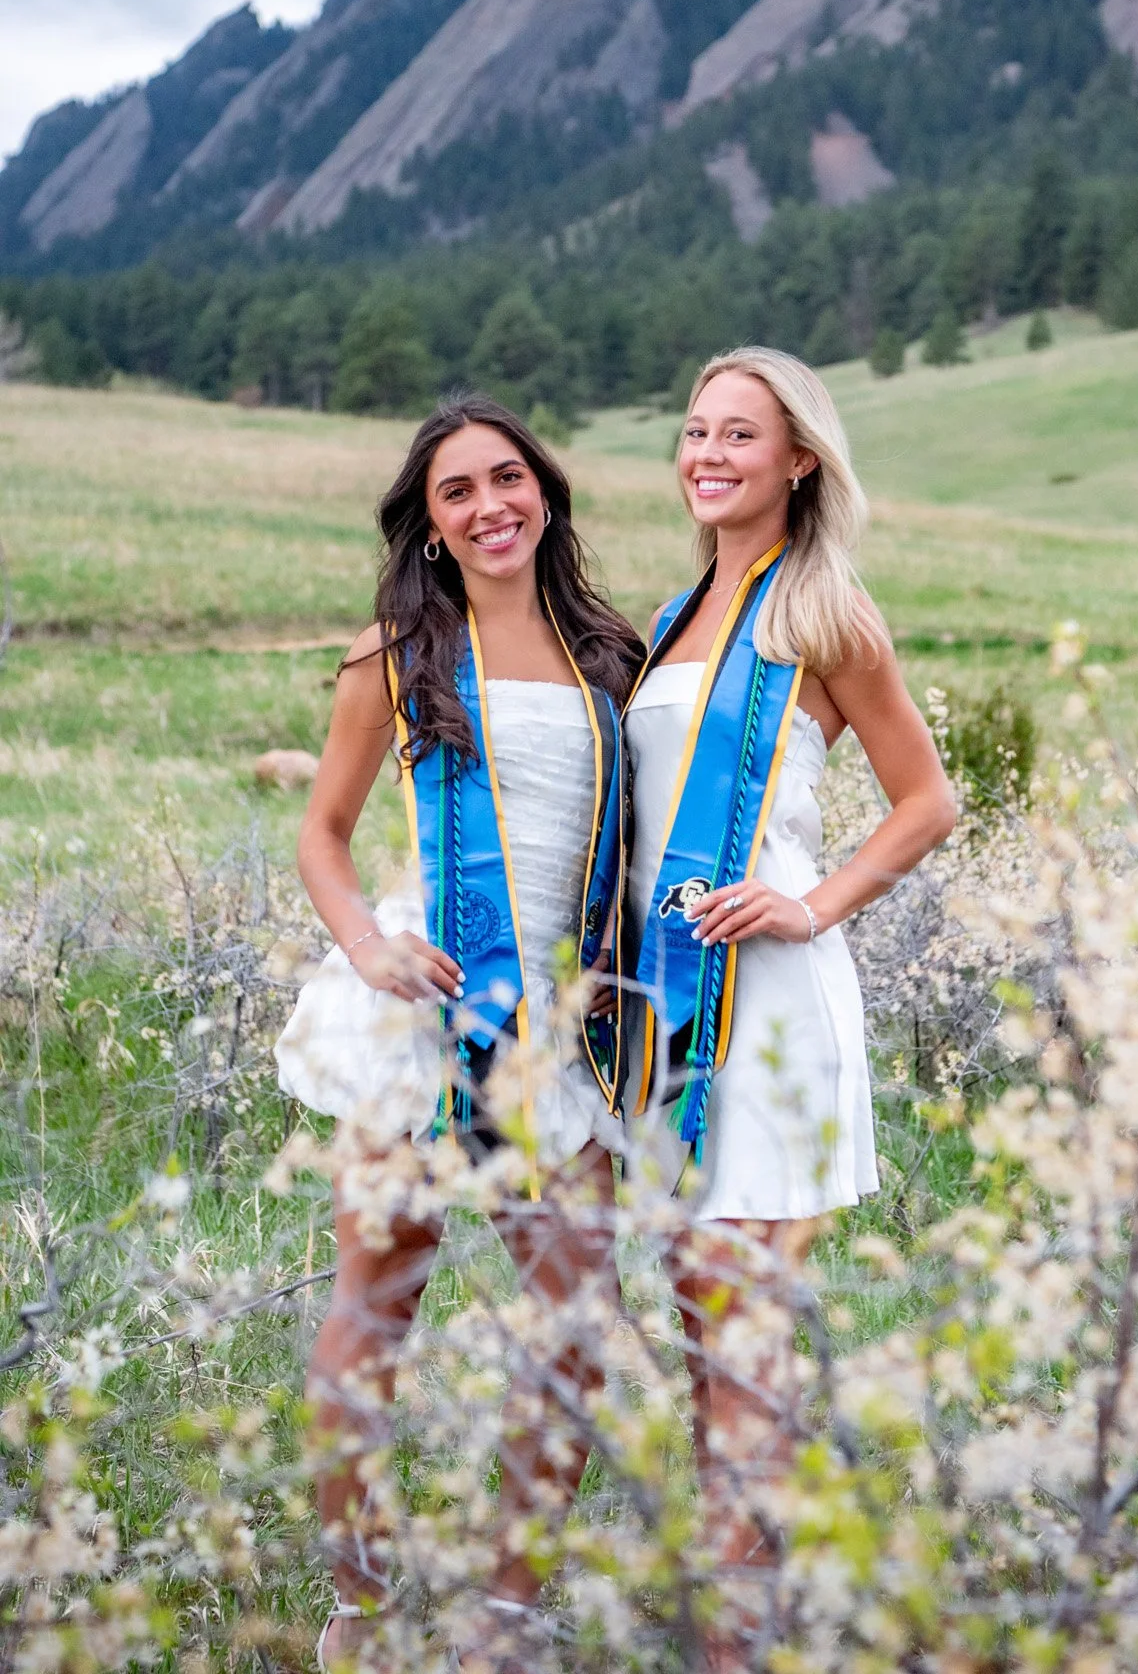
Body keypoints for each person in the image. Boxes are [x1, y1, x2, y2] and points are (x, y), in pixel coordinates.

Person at [275, 393, 643, 1671]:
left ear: (544, 489)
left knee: (574, 1324)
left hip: (562, 1030)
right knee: (374, 1311)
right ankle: (360, 1602)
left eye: (507, 478)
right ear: (429, 527)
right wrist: (368, 948)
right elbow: (322, 831)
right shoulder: (400, 657)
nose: (490, 506)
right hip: (428, 1019)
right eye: (457, 492)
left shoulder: (614, 651)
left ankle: (509, 1604)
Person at [621, 345, 956, 1669]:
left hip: (771, 1006)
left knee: (741, 1327)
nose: (707, 454)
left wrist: (811, 905)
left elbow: (926, 799)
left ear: (797, 460)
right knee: (706, 1331)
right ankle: (740, 1612)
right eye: (693, 431)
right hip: (669, 1011)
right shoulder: (671, 614)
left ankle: (734, 1636)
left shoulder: (823, 615)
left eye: (738, 437)